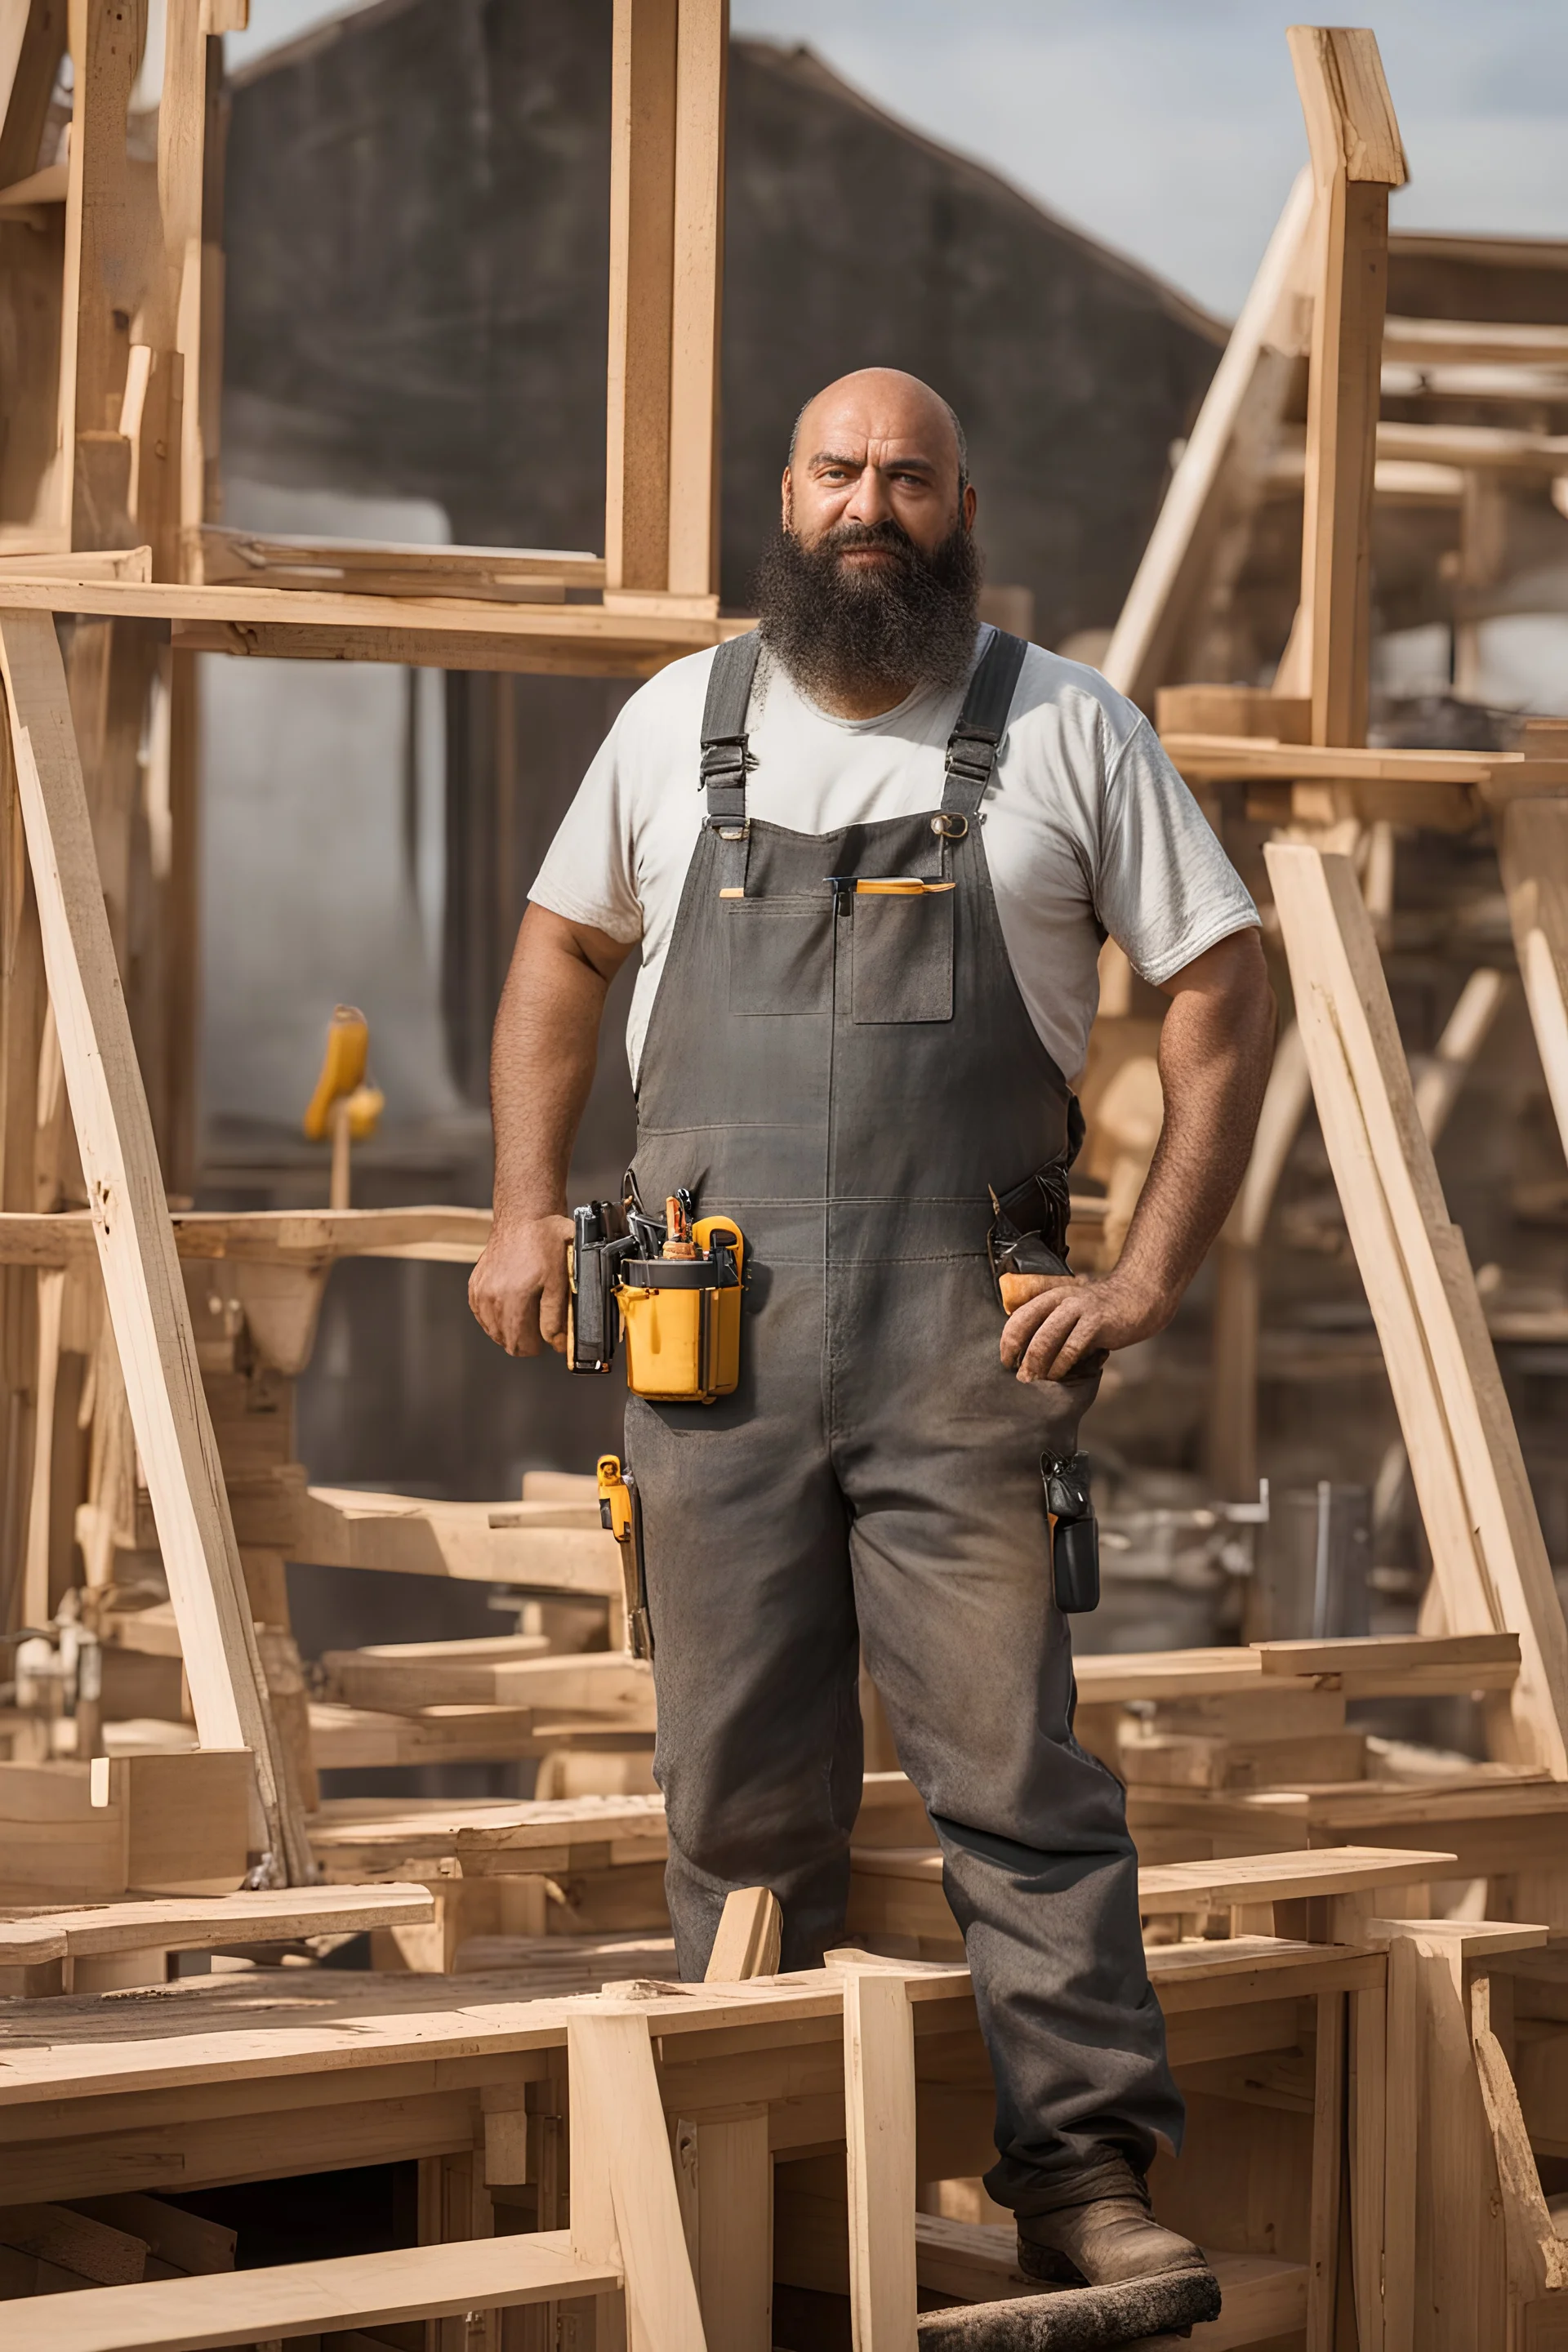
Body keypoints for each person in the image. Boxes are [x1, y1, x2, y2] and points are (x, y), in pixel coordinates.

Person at [470, 368, 1275, 2293]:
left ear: (959, 506)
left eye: (907, 476)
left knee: (1015, 1781)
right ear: (788, 491)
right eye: (839, 468)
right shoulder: (682, 724)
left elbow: (1227, 984)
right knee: (733, 1787)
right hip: (710, 1343)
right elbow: (559, 952)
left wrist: (1150, 1275)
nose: (869, 502)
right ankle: (783, 2209)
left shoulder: (1068, 730)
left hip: (970, 1345)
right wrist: (519, 1209)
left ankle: (1083, 2185)